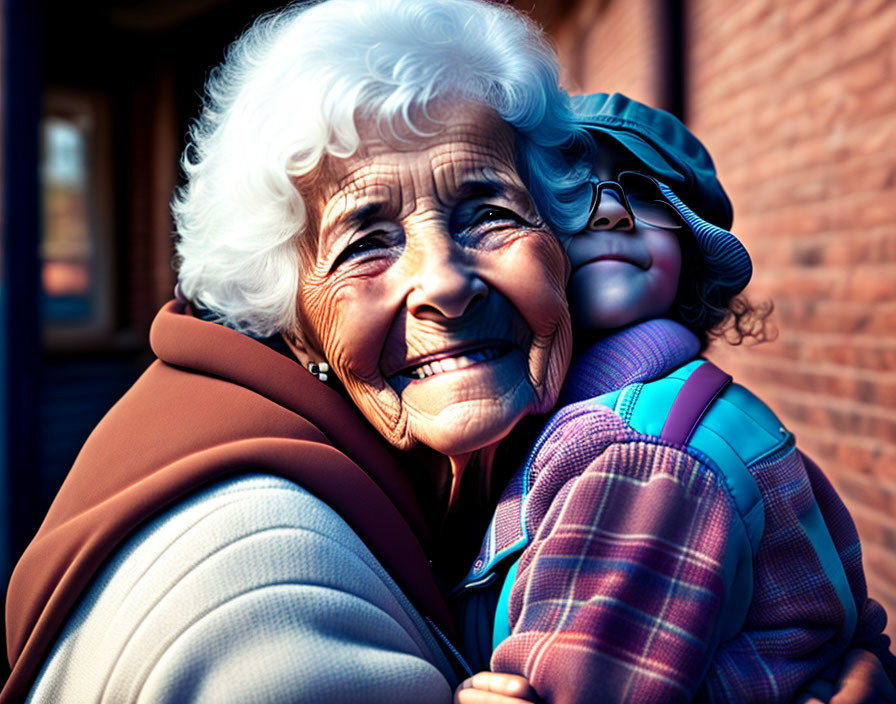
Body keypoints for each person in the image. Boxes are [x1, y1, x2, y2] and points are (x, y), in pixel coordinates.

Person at [1, 2, 890, 702]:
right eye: (364, 242)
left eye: (490, 212)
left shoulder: (511, 457)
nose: (446, 283)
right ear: (290, 315)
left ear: (559, 242)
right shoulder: (266, 606)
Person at [452, 93, 896, 703]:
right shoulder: (579, 420)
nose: (610, 211)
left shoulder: (645, 457)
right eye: (567, 191)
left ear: (689, 256)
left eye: (650, 194)